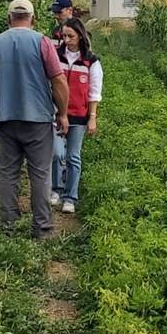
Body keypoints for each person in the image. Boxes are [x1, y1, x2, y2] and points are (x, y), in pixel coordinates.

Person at [0, 0, 70, 239]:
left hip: (5, 119)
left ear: (9, 18)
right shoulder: (42, 42)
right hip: (37, 118)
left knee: (8, 172)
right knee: (39, 173)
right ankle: (42, 227)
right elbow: (58, 80)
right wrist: (62, 113)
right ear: (33, 18)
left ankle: (9, 225)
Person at [50, 18, 102, 214]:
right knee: (56, 154)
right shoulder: (56, 56)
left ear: (80, 35)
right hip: (56, 113)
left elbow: (94, 91)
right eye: (64, 36)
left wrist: (92, 116)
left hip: (79, 115)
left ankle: (70, 197)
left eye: (70, 36)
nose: (67, 39)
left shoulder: (91, 61)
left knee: (73, 156)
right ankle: (56, 189)